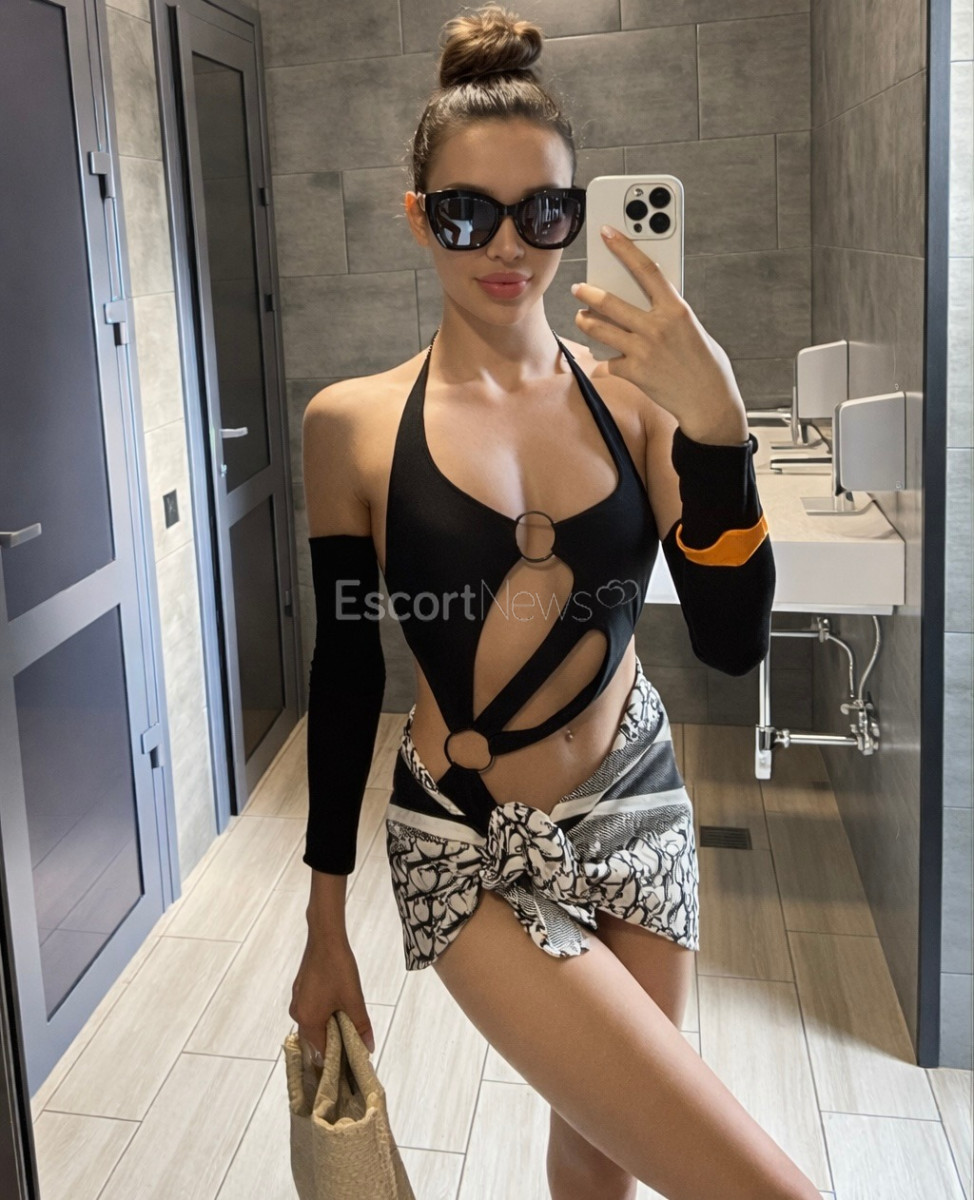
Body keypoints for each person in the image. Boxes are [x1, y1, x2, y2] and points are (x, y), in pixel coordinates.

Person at [289, 7, 817, 1199]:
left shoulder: (638, 405)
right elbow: (345, 673)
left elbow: (731, 645)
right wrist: (324, 925)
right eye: (466, 213)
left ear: (573, 217)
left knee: (599, 1165)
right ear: (417, 215)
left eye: (541, 213)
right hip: (464, 839)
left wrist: (717, 430)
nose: (507, 246)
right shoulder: (351, 426)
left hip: (636, 803)